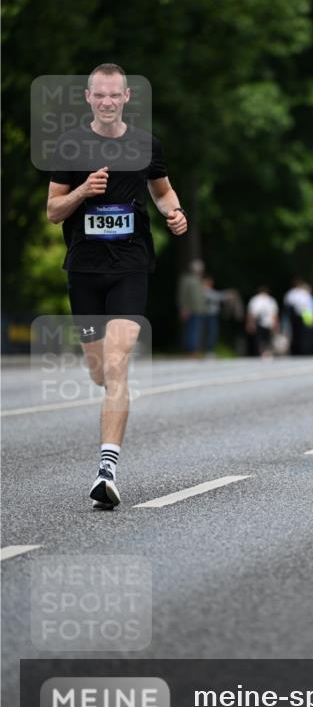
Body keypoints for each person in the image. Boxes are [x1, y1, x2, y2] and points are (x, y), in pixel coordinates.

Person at [46, 62, 187, 508]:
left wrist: (173, 212)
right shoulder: (70, 145)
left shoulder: (146, 145)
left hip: (130, 265)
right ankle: (107, 418)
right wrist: (84, 190)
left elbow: (162, 191)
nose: (107, 102)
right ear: (88, 98)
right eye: (99, 95)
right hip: (84, 271)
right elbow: (52, 211)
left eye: (115, 95)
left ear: (127, 98)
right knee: (98, 371)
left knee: (117, 363)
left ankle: (107, 468)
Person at [178, 259, 207, 355]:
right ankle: (191, 350)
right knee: (191, 330)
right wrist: (184, 308)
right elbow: (183, 294)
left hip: (199, 309)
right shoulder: (187, 279)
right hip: (190, 309)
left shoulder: (199, 280)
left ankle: (194, 349)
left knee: (196, 329)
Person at [246, 285, 279, 357]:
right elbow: (274, 314)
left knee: (262, 339)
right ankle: (262, 352)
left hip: (264, 323)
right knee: (263, 339)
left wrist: (250, 323)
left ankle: (263, 352)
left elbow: (251, 313)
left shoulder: (257, 300)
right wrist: (275, 324)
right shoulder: (269, 300)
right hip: (263, 323)